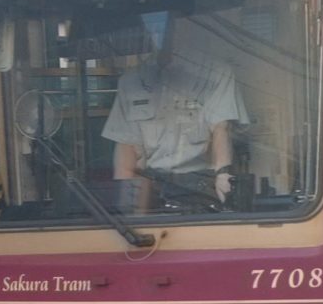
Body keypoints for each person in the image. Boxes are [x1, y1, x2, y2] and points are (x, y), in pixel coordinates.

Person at [102, 11, 247, 211]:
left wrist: (223, 176)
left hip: (201, 187)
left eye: (165, 25)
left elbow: (221, 129)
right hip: (151, 187)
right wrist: (131, 213)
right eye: (151, 25)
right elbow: (126, 151)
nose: (158, 32)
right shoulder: (131, 82)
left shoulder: (214, 73)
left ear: (183, 26)